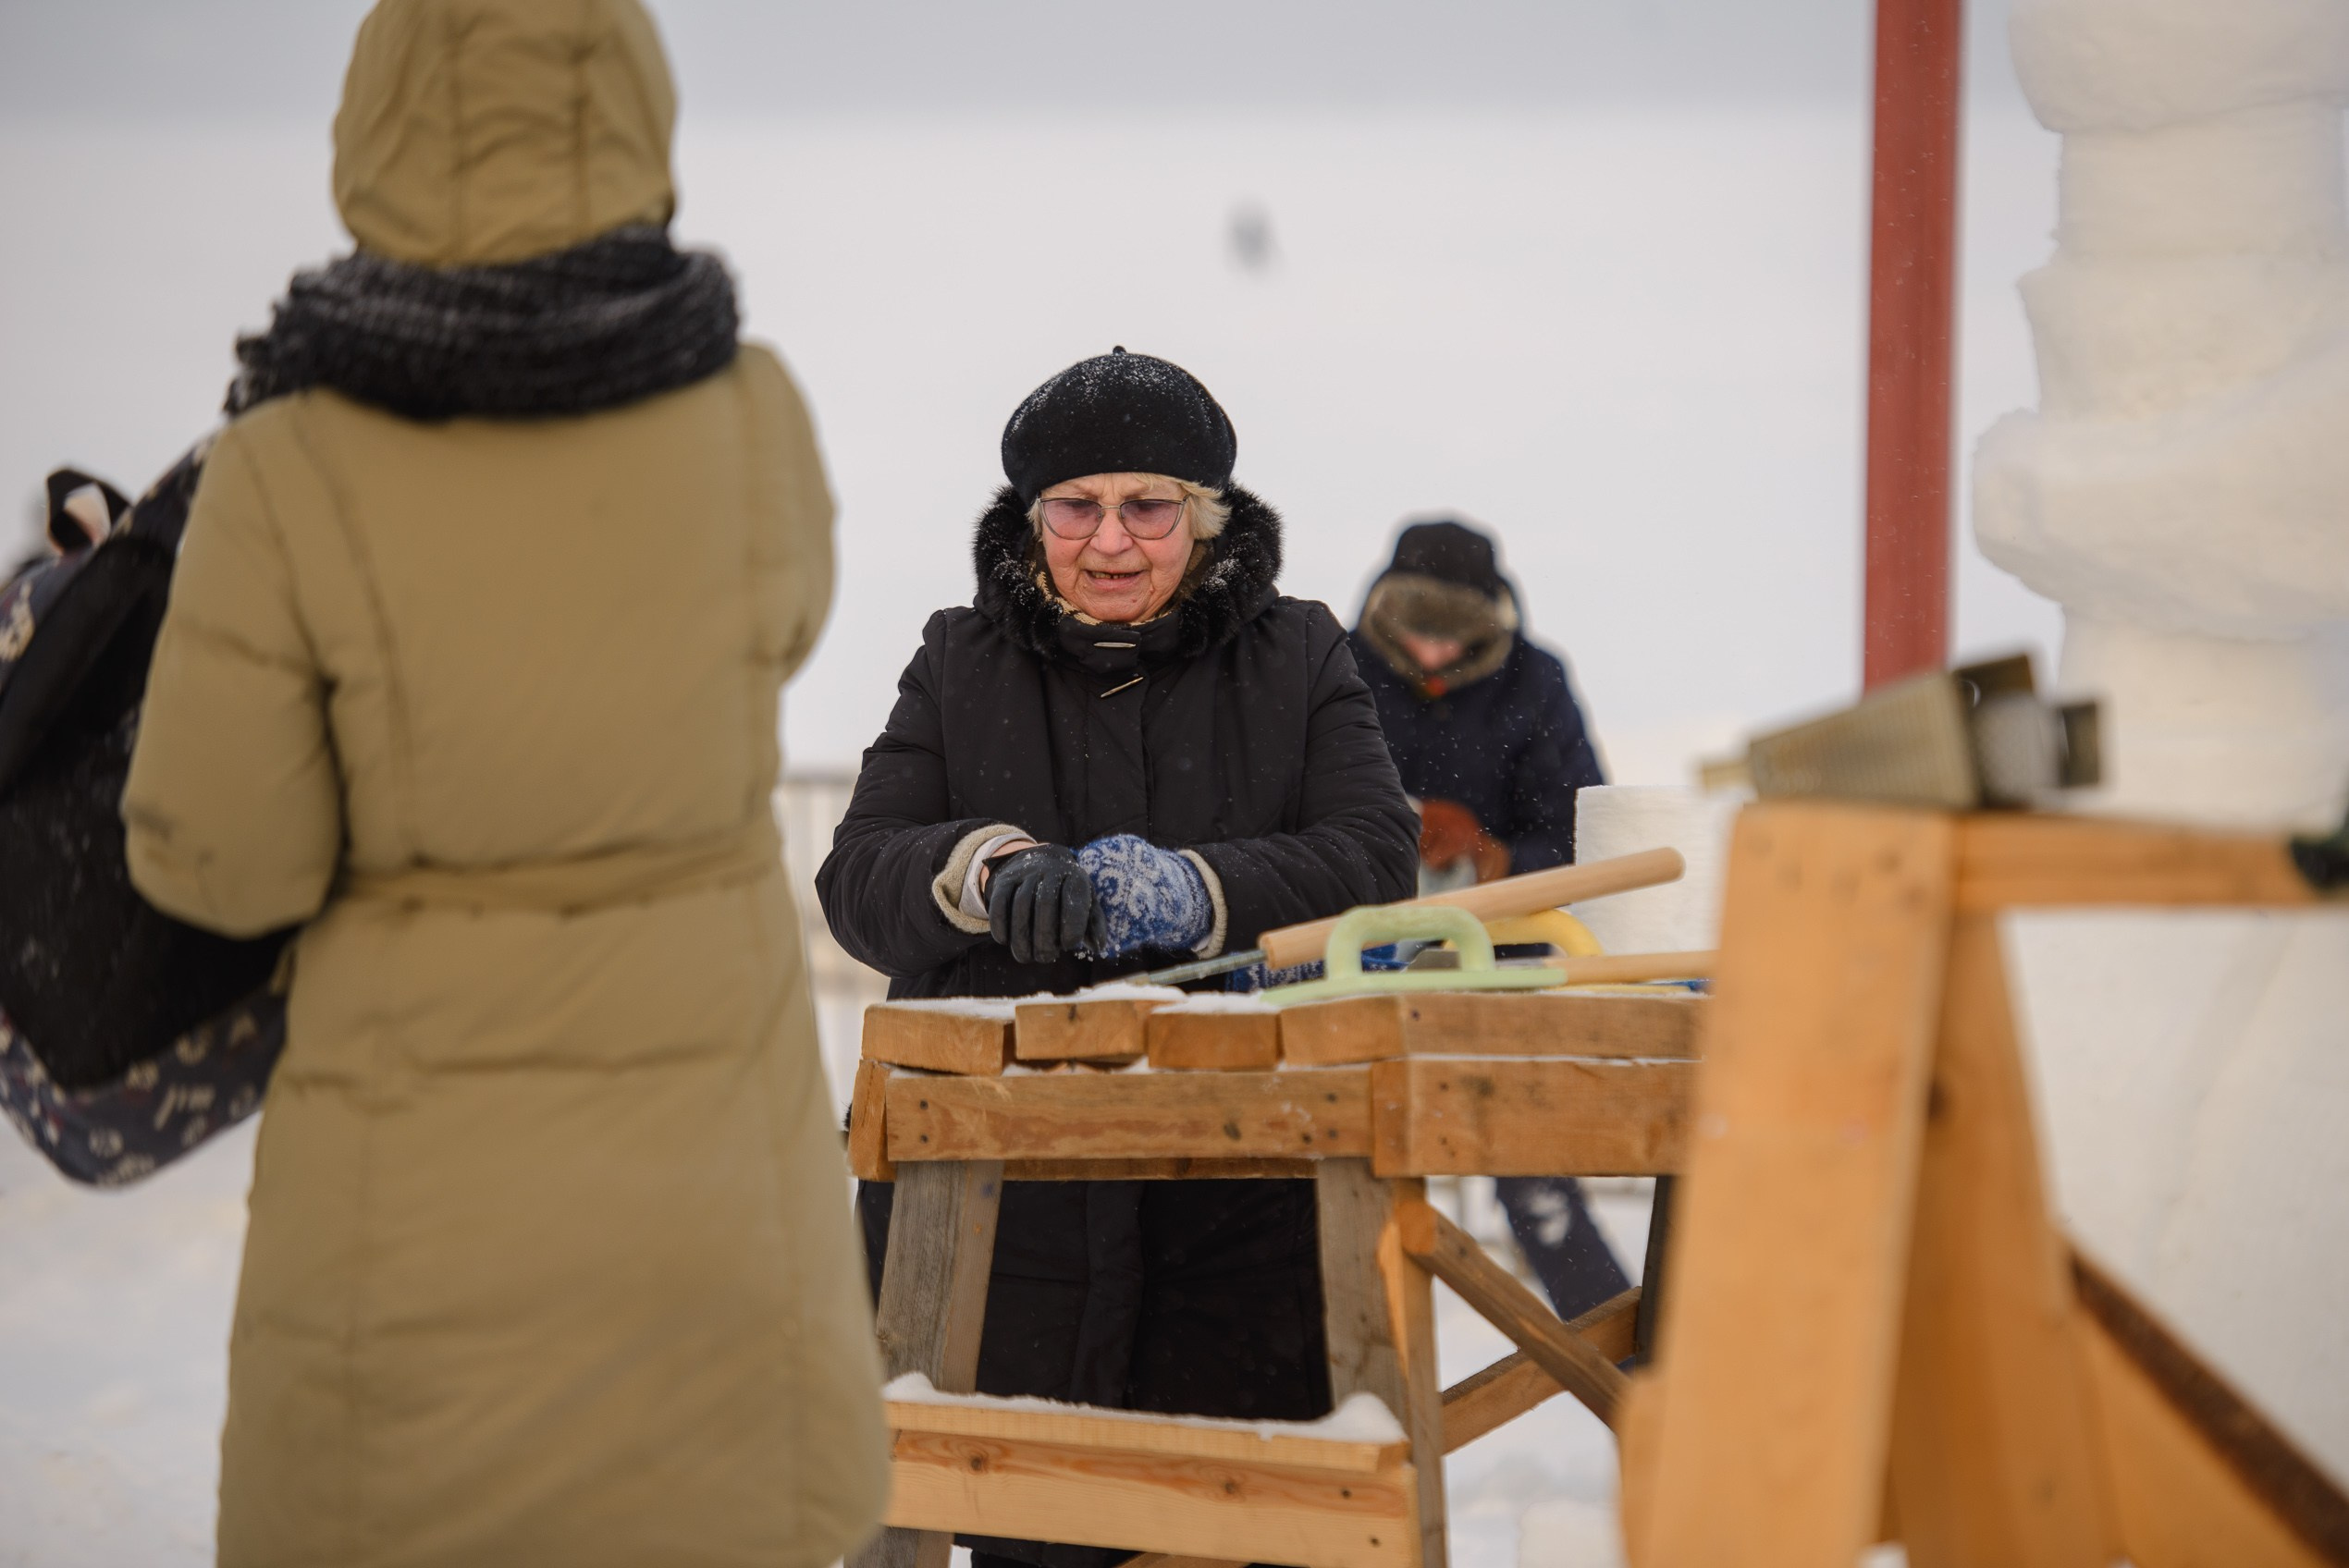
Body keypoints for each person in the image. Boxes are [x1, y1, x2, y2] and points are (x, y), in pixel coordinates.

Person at [117, 3, 887, 1562]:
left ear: (374, 134)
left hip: (405, 1246)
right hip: (709, 1223)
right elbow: (785, 623)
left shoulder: (286, 463)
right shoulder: (751, 413)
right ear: (634, 115)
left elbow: (228, 863)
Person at [818, 348, 1418, 1568]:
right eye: (1074, 508)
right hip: (999, 1214)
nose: (1109, 543)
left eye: (1147, 507)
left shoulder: (1298, 655)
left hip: (1237, 1204)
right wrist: (980, 873)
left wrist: (1197, 890)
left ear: (1205, 521)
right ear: (1030, 520)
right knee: (1022, 1520)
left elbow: (1373, 856)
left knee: (1234, 1526)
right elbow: (860, 877)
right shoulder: (958, 659)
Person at [1348, 519, 1631, 1318]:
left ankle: (1633, 1379)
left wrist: (1493, 857)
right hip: (1350, 968)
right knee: (1337, 1165)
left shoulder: (1536, 682)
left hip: (1504, 966)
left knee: (1533, 1175)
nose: (1434, 655)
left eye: (1457, 636)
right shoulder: (1331, 668)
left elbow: (1584, 831)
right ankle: (1354, 1370)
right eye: (1416, 630)